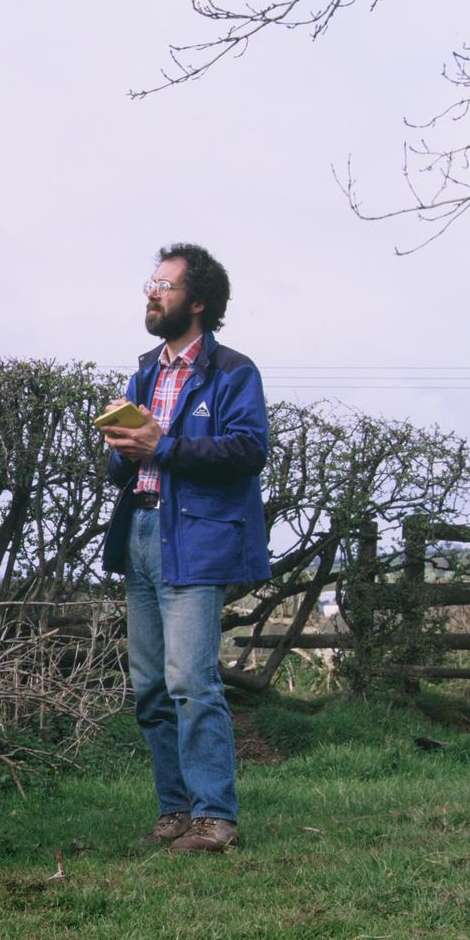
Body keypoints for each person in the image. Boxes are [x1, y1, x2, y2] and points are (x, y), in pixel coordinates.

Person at [99, 244, 270, 855]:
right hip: (141, 534)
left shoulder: (233, 372)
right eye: (150, 282)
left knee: (191, 682)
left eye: (165, 285)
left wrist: (162, 446)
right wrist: (124, 451)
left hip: (194, 540)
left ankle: (215, 818)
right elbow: (129, 466)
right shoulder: (145, 371)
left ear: (197, 302)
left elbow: (249, 450)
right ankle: (175, 811)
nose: (152, 293)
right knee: (149, 686)